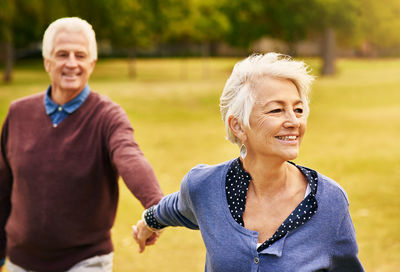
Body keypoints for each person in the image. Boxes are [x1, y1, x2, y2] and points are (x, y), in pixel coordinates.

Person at [132, 53, 364, 271]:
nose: (294, 121)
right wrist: (147, 224)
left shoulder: (329, 202)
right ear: (238, 126)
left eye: (298, 109)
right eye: (276, 110)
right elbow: (172, 208)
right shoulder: (204, 187)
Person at [0, 17, 163, 272]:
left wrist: (156, 208)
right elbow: (3, 189)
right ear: (47, 62)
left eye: (80, 55)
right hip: (21, 262)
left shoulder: (107, 116)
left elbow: (130, 157)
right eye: (62, 54)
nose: (72, 63)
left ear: (92, 63)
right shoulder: (18, 113)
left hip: (85, 262)